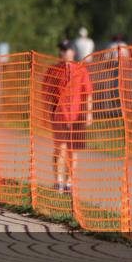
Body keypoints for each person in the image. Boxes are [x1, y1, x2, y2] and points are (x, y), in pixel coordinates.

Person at [42, 40, 93, 193]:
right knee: (60, 147)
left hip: (77, 116)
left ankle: (69, 182)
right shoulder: (53, 70)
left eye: (65, 50)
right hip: (59, 115)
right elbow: (45, 93)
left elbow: (88, 93)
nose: (62, 53)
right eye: (61, 50)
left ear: (73, 52)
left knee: (73, 149)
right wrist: (46, 111)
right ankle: (58, 181)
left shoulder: (81, 70)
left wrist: (89, 113)